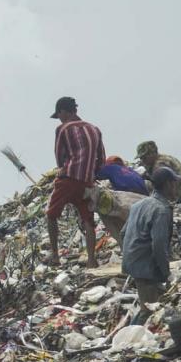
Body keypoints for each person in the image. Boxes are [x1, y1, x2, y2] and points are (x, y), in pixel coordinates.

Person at [46, 96, 105, 268]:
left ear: (63, 111)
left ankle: (55, 256)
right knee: (88, 219)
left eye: (59, 115)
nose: (60, 119)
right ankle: (92, 260)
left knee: (51, 214)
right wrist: (90, 175)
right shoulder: (94, 129)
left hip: (68, 179)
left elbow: (59, 158)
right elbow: (101, 158)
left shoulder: (63, 129)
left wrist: (65, 170)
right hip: (87, 181)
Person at [122, 166, 181, 313]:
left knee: (151, 305)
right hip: (146, 269)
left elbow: (123, 233)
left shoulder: (138, 205)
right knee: (150, 312)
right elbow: (159, 246)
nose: (176, 188)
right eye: (174, 184)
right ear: (167, 184)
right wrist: (167, 274)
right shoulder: (161, 210)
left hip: (134, 265)